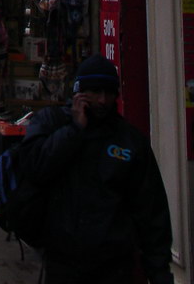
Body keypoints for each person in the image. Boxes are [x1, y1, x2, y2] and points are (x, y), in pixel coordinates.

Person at [19, 54, 174, 284]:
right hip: (63, 262)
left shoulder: (129, 141)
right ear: (79, 93)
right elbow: (35, 169)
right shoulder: (52, 123)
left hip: (114, 266)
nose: (102, 100)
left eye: (109, 93)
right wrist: (74, 131)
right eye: (95, 92)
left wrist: (159, 272)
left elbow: (151, 211)